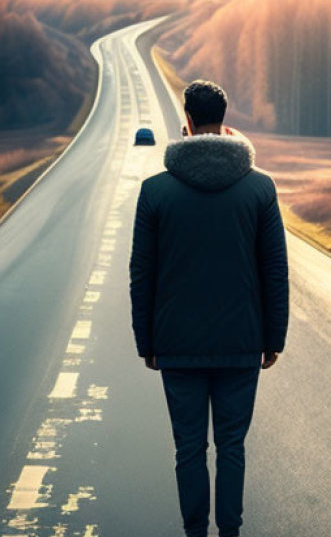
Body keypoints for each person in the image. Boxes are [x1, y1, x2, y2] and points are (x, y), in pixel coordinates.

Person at [129, 79, 290, 537]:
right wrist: (273, 338)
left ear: (188, 120)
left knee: (188, 449)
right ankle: (231, 532)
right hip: (242, 343)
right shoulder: (260, 188)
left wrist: (147, 342)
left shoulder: (155, 192)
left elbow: (142, 275)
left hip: (177, 344)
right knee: (232, 446)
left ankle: (195, 531)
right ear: (224, 119)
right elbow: (274, 271)